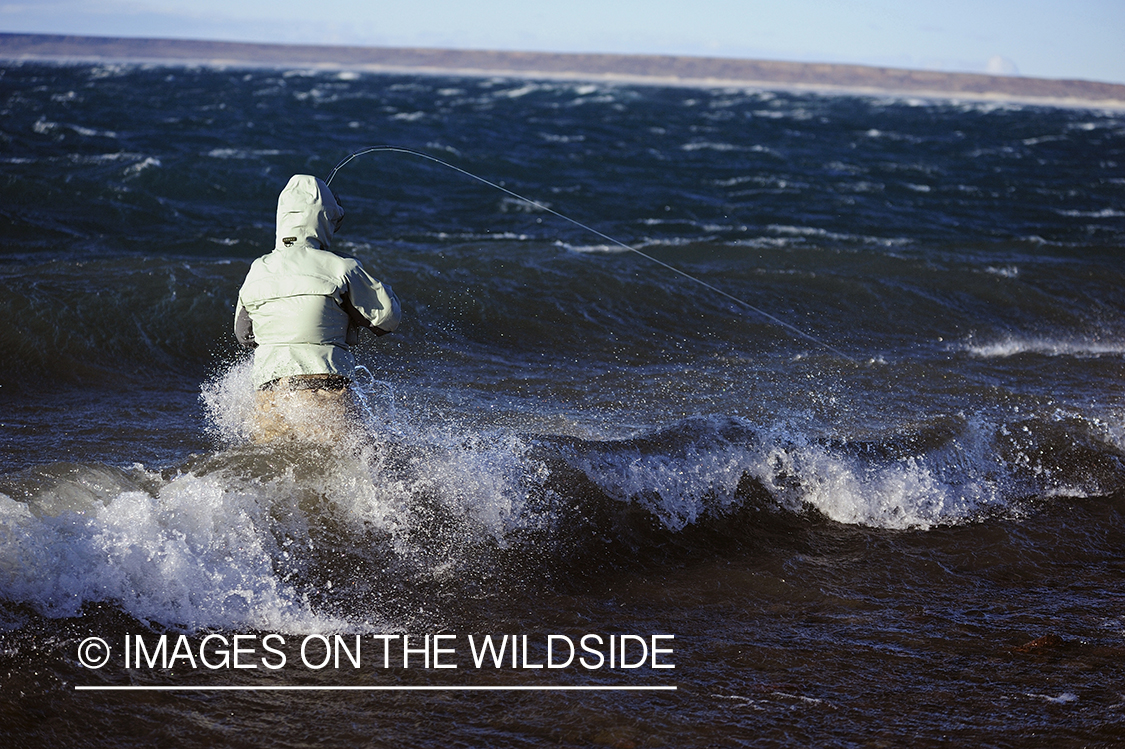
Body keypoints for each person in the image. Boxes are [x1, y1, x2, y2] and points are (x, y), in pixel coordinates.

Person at [234, 174, 400, 441]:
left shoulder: (257, 270)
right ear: (324, 219)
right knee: (345, 469)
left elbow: (244, 335)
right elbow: (388, 318)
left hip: (270, 393)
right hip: (323, 389)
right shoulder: (341, 267)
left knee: (274, 472)